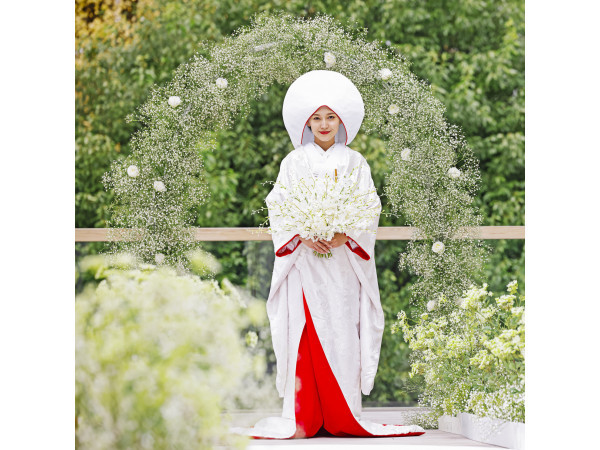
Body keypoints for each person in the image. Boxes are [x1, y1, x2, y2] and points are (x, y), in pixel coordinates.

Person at [232, 70, 425, 439]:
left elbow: (370, 206)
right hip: (303, 262)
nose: (324, 125)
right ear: (307, 122)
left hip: (342, 262)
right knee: (304, 331)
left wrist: (343, 235)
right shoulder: (293, 162)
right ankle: (305, 417)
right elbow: (278, 205)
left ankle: (342, 415)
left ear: (341, 121)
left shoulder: (355, 162)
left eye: (331, 117)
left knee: (341, 330)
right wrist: (302, 234)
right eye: (317, 118)